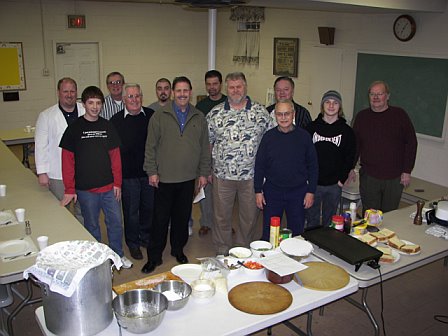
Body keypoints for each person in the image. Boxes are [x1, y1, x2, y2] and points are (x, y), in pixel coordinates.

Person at [142, 76, 210, 274]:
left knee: (182, 218)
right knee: (160, 220)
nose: (182, 94)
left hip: (188, 178)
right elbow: (150, 147)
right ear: (173, 92)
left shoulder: (198, 117)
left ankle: (178, 250)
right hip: (164, 179)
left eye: (185, 91)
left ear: (190, 92)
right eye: (178, 91)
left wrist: (204, 173)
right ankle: (154, 257)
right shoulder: (159, 115)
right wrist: (152, 171)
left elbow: (205, 148)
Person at [60, 86, 132, 269]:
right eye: (90, 103)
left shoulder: (107, 126)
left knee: (115, 223)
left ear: (102, 104)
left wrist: (117, 183)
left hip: (109, 188)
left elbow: (116, 158)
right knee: (92, 226)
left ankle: (117, 255)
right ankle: (97, 260)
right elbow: (67, 161)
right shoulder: (74, 128)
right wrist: (69, 188)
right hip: (85, 191)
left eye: (98, 103)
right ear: (83, 104)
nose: (94, 107)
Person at [207, 72, 272, 256]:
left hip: (251, 177)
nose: (235, 90)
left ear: (245, 87)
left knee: (249, 217)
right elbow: (208, 143)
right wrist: (207, 169)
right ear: (226, 89)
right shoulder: (216, 113)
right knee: (221, 216)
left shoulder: (260, 112)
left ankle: (243, 249)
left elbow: (270, 143)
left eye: (239, 86)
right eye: (232, 87)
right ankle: (222, 250)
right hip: (222, 175)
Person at [255, 100, 318, 239]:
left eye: (287, 114)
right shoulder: (268, 137)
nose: (283, 118)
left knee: (296, 233)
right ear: (275, 116)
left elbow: (313, 165)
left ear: (293, 114)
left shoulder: (304, 137)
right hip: (272, 192)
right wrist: (258, 191)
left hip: (298, 192)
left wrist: (311, 191)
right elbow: (259, 165)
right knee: (269, 232)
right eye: (280, 114)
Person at [353, 80, 417, 214]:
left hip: (394, 178)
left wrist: (407, 170)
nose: (375, 97)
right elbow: (355, 145)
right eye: (372, 94)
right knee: (370, 215)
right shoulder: (362, 117)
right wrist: (350, 168)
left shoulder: (400, 115)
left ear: (387, 96)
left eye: (380, 94)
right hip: (369, 177)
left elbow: (411, 143)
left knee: (390, 216)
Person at [110, 84, 154, 260]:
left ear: (142, 97)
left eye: (137, 96)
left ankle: (146, 238)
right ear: (124, 99)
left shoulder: (152, 116)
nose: (134, 100)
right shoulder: (115, 121)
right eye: (130, 97)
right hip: (127, 177)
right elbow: (112, 152)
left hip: (148, 173)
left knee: (148, 209)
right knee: (131, 212)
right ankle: (133, 244)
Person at [34, 77, 84, 224]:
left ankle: (83, 239)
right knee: (62, 211)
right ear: (58, 93)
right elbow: (40, 146)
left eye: (72, 91)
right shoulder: (46, 116)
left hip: (83, 172)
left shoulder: (85, 110)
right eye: (65, 91)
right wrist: (42, 173)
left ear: (76, 92)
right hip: (58, 174)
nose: (69, 95)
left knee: (84, 211)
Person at [306, 90, 356, 228]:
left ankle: (326, 247)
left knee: (330, 222)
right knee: (311, 220)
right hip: (313, 185)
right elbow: (303, 154)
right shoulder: (311, 128)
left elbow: (350, 156)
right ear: (322, 105)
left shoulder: (347, 131)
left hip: (334, 185)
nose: (331, 106)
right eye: (327, 102)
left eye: (335, 103)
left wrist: (341, 179)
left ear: (340, 107)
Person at [195, 70, 227, 236]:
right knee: (205, 191)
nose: (212, 87)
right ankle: (206, 222)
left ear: (220, 84)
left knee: (223, 193)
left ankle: (223, 223)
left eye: (215, 83)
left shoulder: (228, 102)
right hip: (206, 155)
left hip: (223, 157)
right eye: (209, 84)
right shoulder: (201, 106)